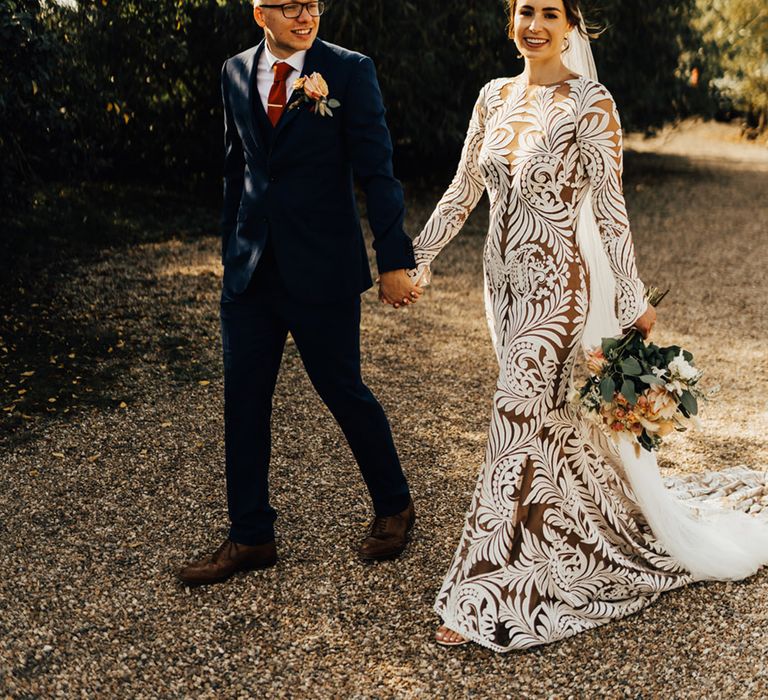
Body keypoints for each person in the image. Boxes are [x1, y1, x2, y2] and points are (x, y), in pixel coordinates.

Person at [412, 0, 768, 650]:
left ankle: (482, 592)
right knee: (542, 430)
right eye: (525, 10)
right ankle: (569, 549)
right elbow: (462, 191)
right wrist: (418, 260)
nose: (536, 24)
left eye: (551, 12)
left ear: (573, 25)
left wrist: (632, 301)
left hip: (557, 293)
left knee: (511, 425)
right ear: (510, 19)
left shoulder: (591, 103)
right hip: (504, 293)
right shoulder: (492, 98)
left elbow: (610, 211)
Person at [177, 0, 422, 587]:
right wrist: (229, 250)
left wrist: (394, 259)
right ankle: (250, 535)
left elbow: (378, 170)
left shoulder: (348, 70)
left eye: (310, 4)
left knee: (342, 389)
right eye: (288, 7)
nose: (303, 16)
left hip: (322, 267)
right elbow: (238, 168)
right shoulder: (235, 71)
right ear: (260, 12)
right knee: (243, 399)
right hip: (250, 271)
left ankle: (394, 506)